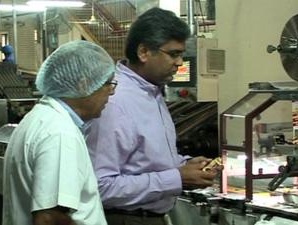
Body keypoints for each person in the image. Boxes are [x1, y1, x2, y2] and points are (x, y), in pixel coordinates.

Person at [85, 7, 220, 225]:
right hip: (125, 218)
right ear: (144, 52)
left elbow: (143, 160)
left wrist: (186, 164)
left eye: (181, 55)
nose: (179, 63)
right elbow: (101, 186)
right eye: (173, 54)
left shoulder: (151, 93)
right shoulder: (115, 101)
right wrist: (176, 178)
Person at [2, 40, 116, 225]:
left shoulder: (41, 118)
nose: (111, 91)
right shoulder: (60, 133)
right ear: (83, 84)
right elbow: (49, 219)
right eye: (108, 83)